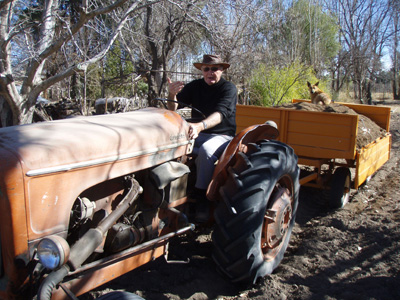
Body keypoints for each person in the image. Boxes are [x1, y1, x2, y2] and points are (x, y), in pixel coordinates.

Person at [167, 54, 237, 222]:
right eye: (206, 69)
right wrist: (171, 94)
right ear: (202, 71)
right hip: (196, 132)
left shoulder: (228, 89)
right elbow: (174, 107)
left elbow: (221, 114)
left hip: (222, 135)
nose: (210, 72)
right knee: (168, 144)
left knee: (206, 151)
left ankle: (201, 198)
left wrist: (200, 126)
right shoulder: (195, 86)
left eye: (214, 69)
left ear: (221, 70)